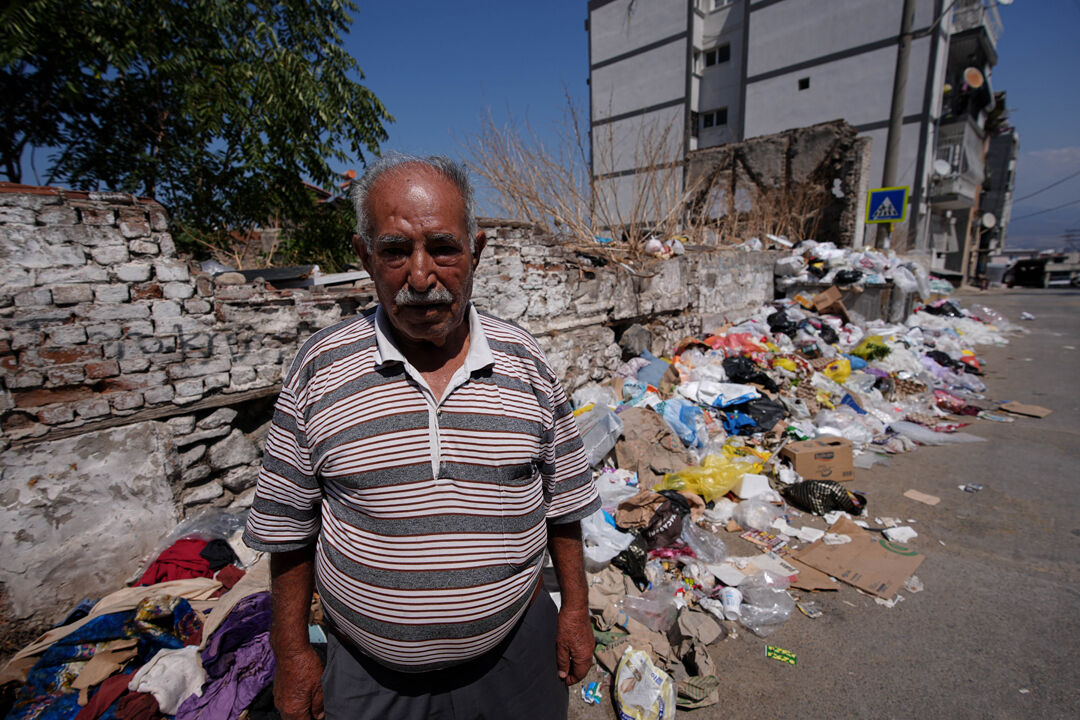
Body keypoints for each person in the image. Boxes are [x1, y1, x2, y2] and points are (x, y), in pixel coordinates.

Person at [243, 155, 600, 720]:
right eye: (394, 251)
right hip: (370, 676)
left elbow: (566, 505)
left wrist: (575, 612)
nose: (419, 276)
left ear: (475, 251)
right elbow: (288, 529)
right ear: (364, 258)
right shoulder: (320, 368)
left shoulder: (525, 362)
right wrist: (292, 654)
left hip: (515, 659)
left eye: (443, 248)